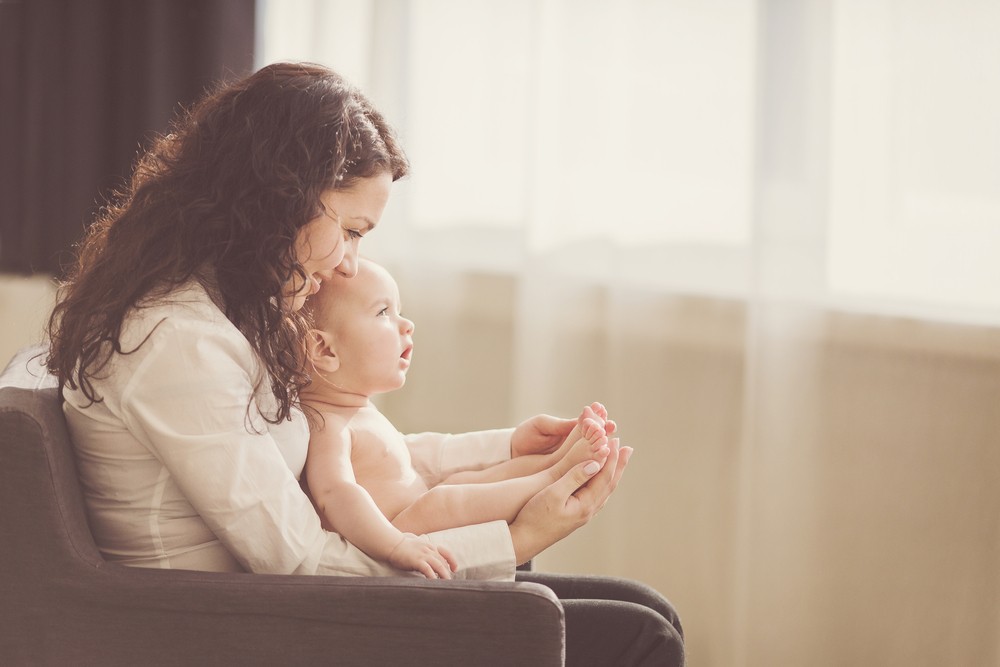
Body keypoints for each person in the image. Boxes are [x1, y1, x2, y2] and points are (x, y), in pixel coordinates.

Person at [45, 62, 683, 664]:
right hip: (231, 626)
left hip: (272, 602)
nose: (349, 264)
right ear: (277, 202)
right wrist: (515, 541)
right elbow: (296, 561)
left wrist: (502, 450)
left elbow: (361, 452)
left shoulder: (235, 306)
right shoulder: (178, 340)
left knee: (646, 610)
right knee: (640, 637)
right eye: (350, 230)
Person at [301, 258, 617, 578]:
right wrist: (395, 545)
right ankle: (553, 478)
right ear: (325, 351)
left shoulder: (359, 410)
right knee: (443, 500)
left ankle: (554, 461)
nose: (406, 324)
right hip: (399, 533)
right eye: (383, 312)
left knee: (463, 482)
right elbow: (335, 493)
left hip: (414, 517)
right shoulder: (327, 424)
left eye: (400, 310)